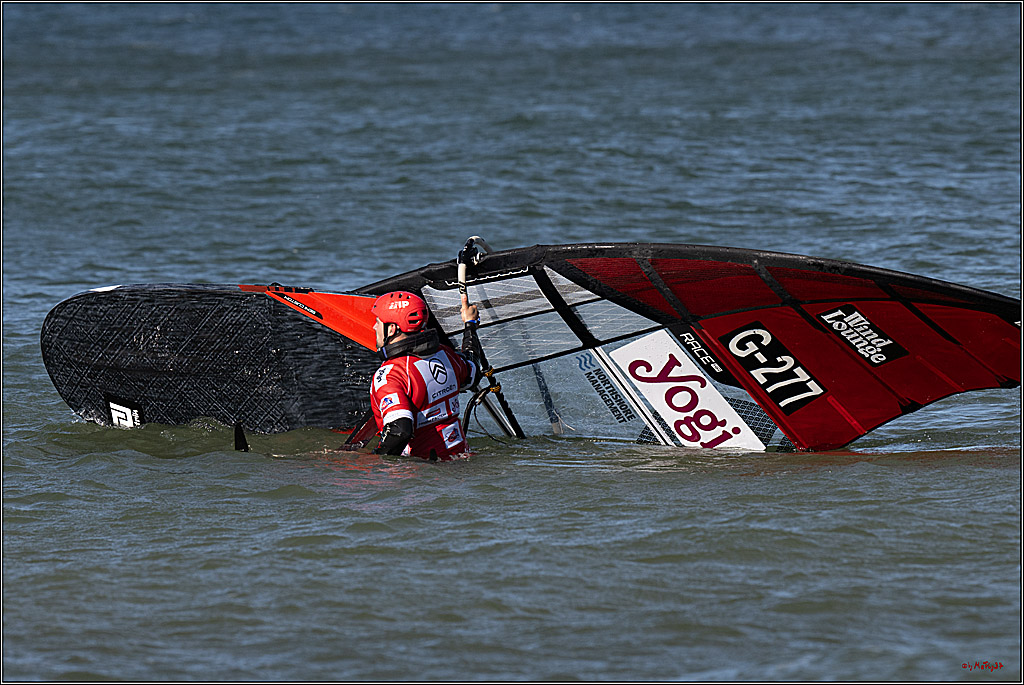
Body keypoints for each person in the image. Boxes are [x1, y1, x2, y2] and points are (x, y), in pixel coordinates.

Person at [367, 290, 480, 460]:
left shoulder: (391, 374)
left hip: (421, 472)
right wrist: (470, 325)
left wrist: (375, 461)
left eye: (378, 322)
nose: (375, 327)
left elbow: (400, 431)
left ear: (391, 329)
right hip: (461, 460)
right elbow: (474, 372)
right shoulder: (447, 355)